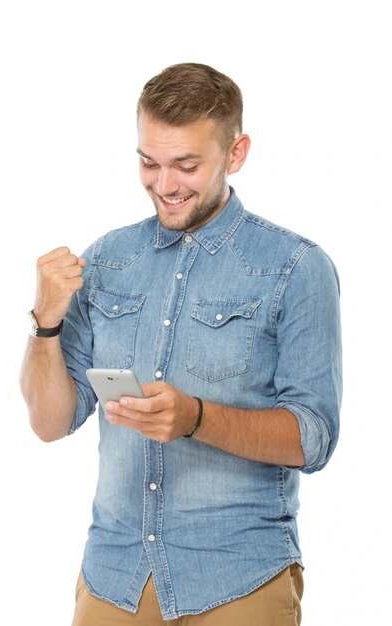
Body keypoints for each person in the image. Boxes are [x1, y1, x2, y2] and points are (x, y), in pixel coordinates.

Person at [20, 63, 342, 625]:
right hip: (113, 578)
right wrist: (45, 322)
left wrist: (195, 417)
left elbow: (313, 439)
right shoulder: (106, 260)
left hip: (238, 580)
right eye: (149, 163)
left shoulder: (295, 268)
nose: (164, 185)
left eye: (186, 166)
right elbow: (50, 423)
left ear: (236, 153)